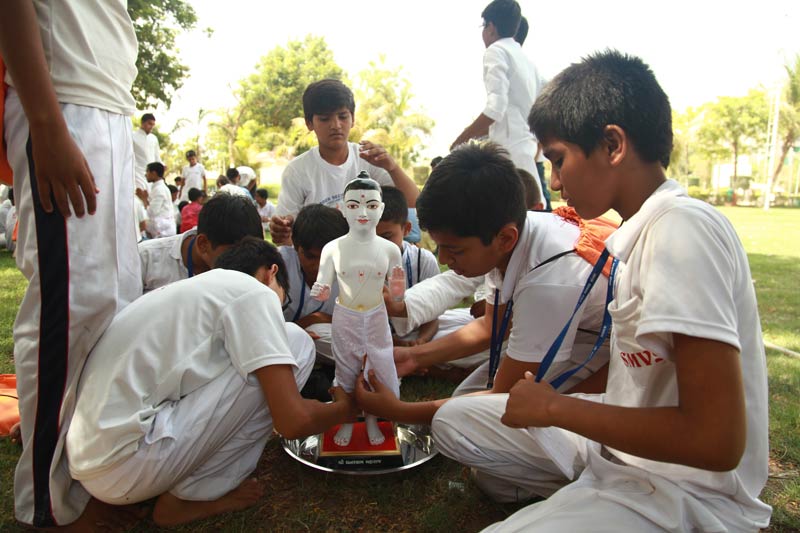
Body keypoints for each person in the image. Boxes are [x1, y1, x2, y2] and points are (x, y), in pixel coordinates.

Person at [406, 50, 773, 531]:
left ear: (612, 145)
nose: (555, 182)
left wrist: (555, 407)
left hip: (686, 493)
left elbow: (716, 440)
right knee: (459, 419)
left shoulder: (682, 232)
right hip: (622, 455)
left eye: (558, 160)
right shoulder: (640, 234)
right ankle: (581, 493)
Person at [66, 237, 357, 527]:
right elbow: (293, 420)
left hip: (90, 461)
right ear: (271, 273)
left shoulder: (198, 291)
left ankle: (184, 485)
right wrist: (345, 409)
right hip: (127, 463)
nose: (277, 313)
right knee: (294, 340)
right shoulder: (255, 292)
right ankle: (190, 495)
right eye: (283, 300)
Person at [0, 1, 143, 528]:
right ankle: (49, 503)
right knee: (69, 305)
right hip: (62, 100)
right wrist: (45, 122)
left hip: (109, 103)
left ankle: (88, 474)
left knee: (113, 306)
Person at [374, 144, 612, 399]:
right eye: (440, 247)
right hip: (558, 331)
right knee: (462, 401)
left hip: (599, 350)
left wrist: (398, 411)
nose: (442, 259)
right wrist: (413, 356)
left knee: (455, 415)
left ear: (506, 239)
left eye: (454, 249)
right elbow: (491, 325)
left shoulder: (548, 279)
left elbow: (502, 394)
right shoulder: (508, 235)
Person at [311, 175, 405, 446]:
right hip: (346, 316)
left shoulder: (391, 250)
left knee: (379, 366)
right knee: (346, 368)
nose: (363, 213)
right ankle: (348, 419)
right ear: (342, 208)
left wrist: (398, 287)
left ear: (381, 209)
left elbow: (398, 296)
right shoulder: (332, 248)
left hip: (376, 316)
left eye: (371, 206)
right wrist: (321, 290)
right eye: (354, 206)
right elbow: (323, 286)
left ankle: (373, 418)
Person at [270, 79, 420, 245]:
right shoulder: (297, 171)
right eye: (325, 119)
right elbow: (286, 234)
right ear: (309, 123)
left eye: (342, 116)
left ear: (353, 118)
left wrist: (392, 167)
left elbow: (413, 203)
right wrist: (282, 231)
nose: (336, 125)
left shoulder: (369, 160)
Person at [450, 0, 545, 202]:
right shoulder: (526, 60)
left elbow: (495, 109)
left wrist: (460, 141)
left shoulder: (496, 51)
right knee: (531, 209)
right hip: (526, 152)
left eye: (483, 26)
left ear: (491, 27)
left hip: (506, 154)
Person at [139, 192, 263, 293]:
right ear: (203, 245)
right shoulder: (145, 258)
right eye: (234, 257)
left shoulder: (253, 268)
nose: (241, 266)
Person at [279, 203, 348, 363]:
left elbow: (359, 325)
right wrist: (305, 324)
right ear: (295, 245)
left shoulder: (352, 272)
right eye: (310, 256)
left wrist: (319, 319)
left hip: (320, 338)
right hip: (278, 341)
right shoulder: (277, 265)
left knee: (322, 334)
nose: (318, 266)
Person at [375, 186, 440, 346]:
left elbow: (432, 316)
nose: (377, 245)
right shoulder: (355, 264)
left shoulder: (423, 260)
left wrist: (421, 342)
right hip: (373, 339)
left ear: (406, 229)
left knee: (461, 333)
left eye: (386, 237)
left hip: (415, 335)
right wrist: (396, 345)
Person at [132, 112, 162, 204]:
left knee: (151, 200)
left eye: (153, 125)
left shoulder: (154, 138)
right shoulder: (132, 136)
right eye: (149, 124)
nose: (151, 127)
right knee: (139, 199)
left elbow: (157, 157)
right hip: (137, 173)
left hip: (152, 175)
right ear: (142, 123)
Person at [144, 162, 176, 239]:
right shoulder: (158, 188)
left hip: (164, 231)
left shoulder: (159, 189)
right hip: (163, 229)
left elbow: (152, 212)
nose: (145, 175)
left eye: (147, 171)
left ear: (154, 173)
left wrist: (143, 199)